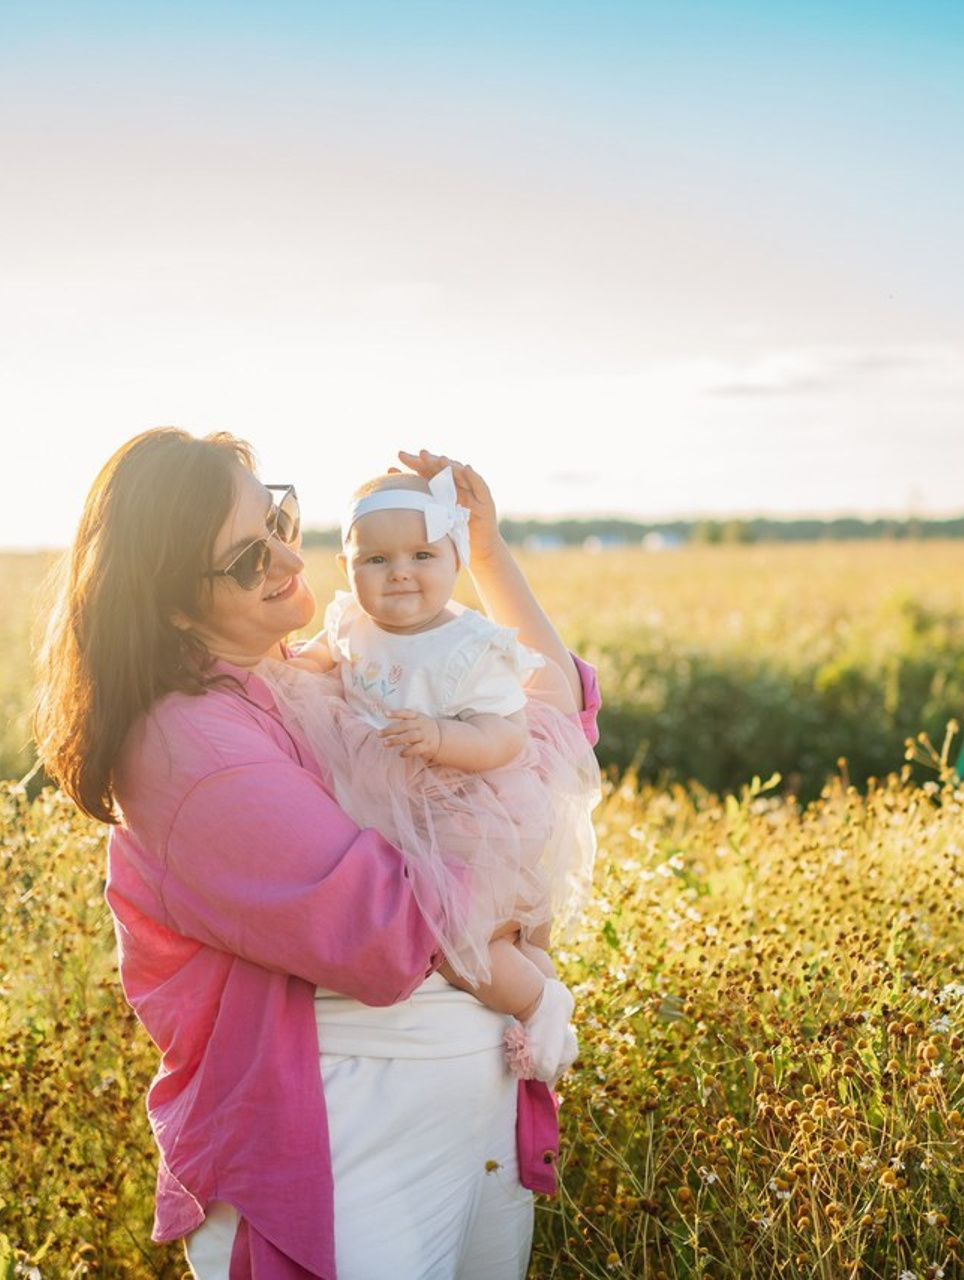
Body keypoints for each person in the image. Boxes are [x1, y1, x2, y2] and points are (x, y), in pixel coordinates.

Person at [32, 428, 600, 1278]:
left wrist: (486, 553)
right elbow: (384, 931)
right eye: (243, 559)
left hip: (454, 1125)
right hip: (349, 1145)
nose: (283, 558)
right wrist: (516, 878)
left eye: (279, 519)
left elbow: (549, 712)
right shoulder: (191, 746)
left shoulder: (301, 672)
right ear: (172, 604)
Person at [261, 466, 599, 1083]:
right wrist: (291, 668)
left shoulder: (469, 645)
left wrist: (444, 738)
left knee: (457, 940)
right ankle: (536, 984)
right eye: (376, 559)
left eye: (423, 554)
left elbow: (507, 733)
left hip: (461, 802)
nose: (400, 573)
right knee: (461, 930)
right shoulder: (347, 622)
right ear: (346, 567)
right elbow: (320, 660)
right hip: (389, 800)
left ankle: (540, 1004)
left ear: (455, 557)